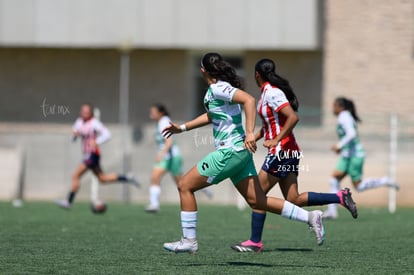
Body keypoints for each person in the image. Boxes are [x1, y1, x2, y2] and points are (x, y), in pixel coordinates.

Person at [162, 53, 326, 254]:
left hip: (229, 152)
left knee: (185, 185)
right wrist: (183, 128)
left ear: (202, 70)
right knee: (258, 201)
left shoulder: (217, 87)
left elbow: (248, 100)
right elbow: (212, 115)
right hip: (239, 154)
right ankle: (310, 217)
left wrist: (250, 133)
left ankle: (189, 240)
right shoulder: (217, 90)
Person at [231, 58, 358, 253]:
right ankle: (340, 197)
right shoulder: (266, 94)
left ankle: (255, 242)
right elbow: (271, 127)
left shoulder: (272, 93)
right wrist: (253, 138)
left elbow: (293, 117)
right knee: (294, 198)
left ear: (257, 74)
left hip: (282, 152)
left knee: (256, 196)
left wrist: (276, 140)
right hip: (287, 151)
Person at [323, 97, 399, 219]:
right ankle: (332, 211)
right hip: (347, 155)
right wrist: (342, 148)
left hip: (355, 156)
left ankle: (384, 180)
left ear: (341, 107)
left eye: (334, 105)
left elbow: (352, 134)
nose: (333, 108)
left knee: (359, 186)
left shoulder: (344, 116)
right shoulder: (345, 116)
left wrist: (339, 145)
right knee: (334, 179)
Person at [56, 103, 139, 209]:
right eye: (83, 111)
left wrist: (97, 141)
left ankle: (68, 201)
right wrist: (75, 136)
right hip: (87, 154)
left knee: (76, 175)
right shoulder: (78, 122)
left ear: (90, 113)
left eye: (87, 112)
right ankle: (127, 177)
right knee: (103, 179)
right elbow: (73, 138)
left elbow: (107, 134)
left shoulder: (94, 123)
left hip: (92, 154)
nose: (85, 113)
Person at [146, 104, 212, 213]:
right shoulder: (160, 122)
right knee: (155, 178)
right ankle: (154, 204)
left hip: (171, 157)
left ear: (161, 112)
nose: (151, 114)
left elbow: (169, 141)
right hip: (167, 157)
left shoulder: (164, 121)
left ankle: (202, 186)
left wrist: (162, 154)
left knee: (182, 183)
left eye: (153, 112)